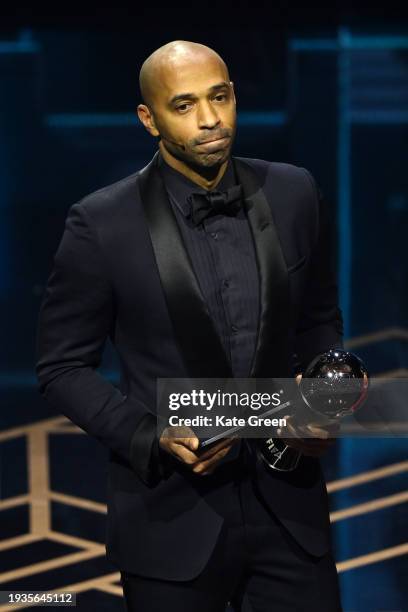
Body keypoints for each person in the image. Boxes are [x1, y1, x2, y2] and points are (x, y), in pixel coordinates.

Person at [35, 40, 344, 611]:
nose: (209, 120)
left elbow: (319, 321)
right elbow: (60, 366)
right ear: (148, 119)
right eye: (183, 105)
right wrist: (149, 435)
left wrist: (325, 398)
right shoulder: (101, 224)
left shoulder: (295, 192)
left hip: (292, 514)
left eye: (219, 97)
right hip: (169, 520)